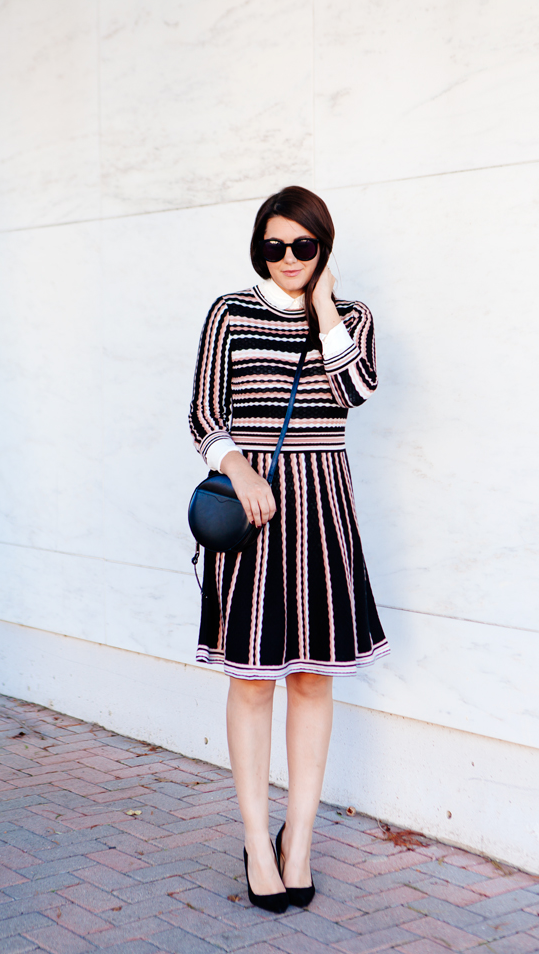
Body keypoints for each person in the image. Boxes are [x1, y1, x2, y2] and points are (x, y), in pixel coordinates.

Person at [188, 186, 389, 912]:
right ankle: (254, 838)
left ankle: (296, 840)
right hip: (254, 512)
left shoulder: (352, 318)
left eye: (303, 246)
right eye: (274, 246)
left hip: (323, 512)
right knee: (251, 682)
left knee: (311, 679)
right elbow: (204, 412)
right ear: (260, 248)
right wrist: (239, 469)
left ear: (322, 247)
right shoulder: (229, 313)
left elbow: (356, 390)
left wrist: (325, 306)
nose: (289, 258)